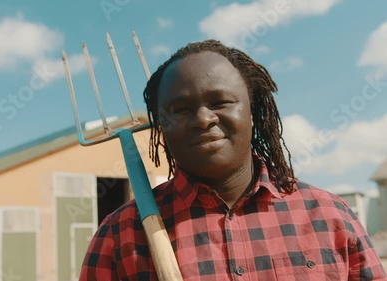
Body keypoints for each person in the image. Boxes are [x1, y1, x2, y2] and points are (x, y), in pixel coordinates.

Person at [79, 39, 387, 280]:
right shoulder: (119, 235)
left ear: (253, 112)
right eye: (180, 109)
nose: (202, 119)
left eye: (220, 102)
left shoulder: (329, 216)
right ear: (160, 127)